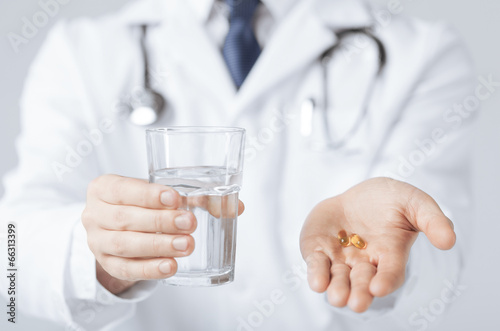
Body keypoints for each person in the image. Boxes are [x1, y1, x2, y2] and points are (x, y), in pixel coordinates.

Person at [0, 0, 476, 330]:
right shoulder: (81, 51)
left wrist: (394, 258)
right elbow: (11, 257)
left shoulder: (422, 54)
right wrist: (99, 258)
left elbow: (438, 268)